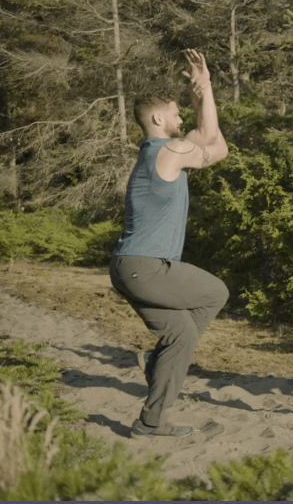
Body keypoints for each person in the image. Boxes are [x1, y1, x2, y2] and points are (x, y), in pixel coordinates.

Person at [109, 49, 230, 438]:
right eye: (176, 113)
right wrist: (205, 90)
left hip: (130, 267)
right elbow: (218, 146)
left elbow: (207, 136)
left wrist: (202, 95)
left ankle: (151, 421)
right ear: (158, 118)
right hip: (147, 266)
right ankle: (160, 360)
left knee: (182, 335)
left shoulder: (161, 153)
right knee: (215, 292)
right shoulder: (172, 151)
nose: (182, 119)